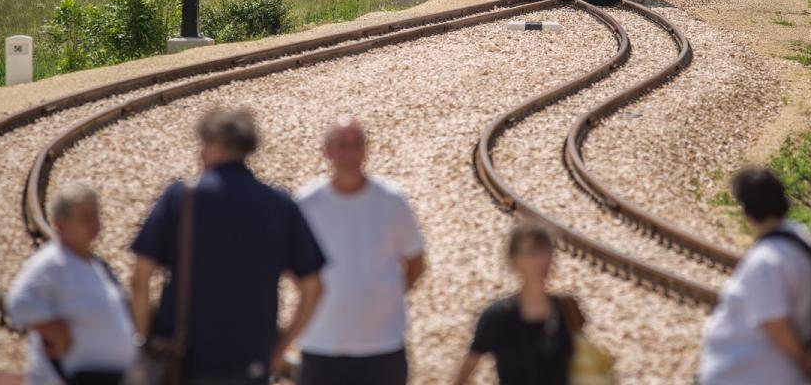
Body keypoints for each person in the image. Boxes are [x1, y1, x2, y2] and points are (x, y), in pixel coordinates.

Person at [129, 107, 325, 384]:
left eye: (203, 146)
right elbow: (313, 286)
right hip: (251, 361)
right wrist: (281, 347)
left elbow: (140, 276)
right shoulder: (278, 204)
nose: (200, 154)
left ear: (217, 146)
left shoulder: (182, 199)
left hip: (185, 361)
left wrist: (144, 340)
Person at [294, 116, 426, 385]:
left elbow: (415, 261)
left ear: (366, 150)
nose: (350, 153)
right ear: (328, 151)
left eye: (356, 145)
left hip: (382, 345)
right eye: (342, 145)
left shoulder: (392, 200)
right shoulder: (307, 203)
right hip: (322, 343)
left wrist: (383, 296)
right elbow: (294, 266)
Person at [697, 167, 811, 385]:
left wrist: (805, 361)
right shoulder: (800, 239)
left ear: (747, 212)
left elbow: (775, 322)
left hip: (751, 374)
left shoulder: (767, 260)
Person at [6, 185, 136, 385]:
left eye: (95, 216)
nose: (93, 224)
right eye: (85, 218)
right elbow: (18, 303)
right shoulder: (52, 263)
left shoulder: (95, 264)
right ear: (60, 224)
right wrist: (56, 332)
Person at [452, 221, 585, 385]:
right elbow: (466, 369)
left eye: (546, 251)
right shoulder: (498, 317)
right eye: (533, 253)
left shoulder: (567, 309)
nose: (542, 260)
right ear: (513, 261)